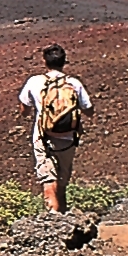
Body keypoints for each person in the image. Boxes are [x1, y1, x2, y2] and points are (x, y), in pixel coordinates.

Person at [19, 45, 92, 213]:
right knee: (62, 180)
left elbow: (24, 110)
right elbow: (89, 110)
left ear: (45, 62)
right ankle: (64, 217)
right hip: (68, 138)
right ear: (64, 61)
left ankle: (53, 218)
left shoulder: (35, 82)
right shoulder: (74, 83)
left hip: (43, 136)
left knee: (48, 179)